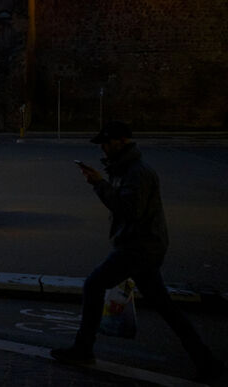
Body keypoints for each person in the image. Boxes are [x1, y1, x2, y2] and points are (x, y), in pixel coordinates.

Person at [50, 121, 224, 383]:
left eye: (106, 144)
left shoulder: (137, 173)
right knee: (166, 307)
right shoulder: (124, 169)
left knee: (94, 285)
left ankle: (83, 349)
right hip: (142, 246)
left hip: (139, 247)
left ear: (121, 141)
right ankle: (206, 361)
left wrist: (99, 183)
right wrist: (99, 180)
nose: (104, 149)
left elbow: (128, 210)